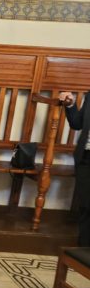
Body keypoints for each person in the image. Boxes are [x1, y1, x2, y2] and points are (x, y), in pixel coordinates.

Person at [59, 91, 90, 246]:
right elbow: (77, 123)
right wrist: (70, 104)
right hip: (86, 156)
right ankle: (84, 249)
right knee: (86, 205)